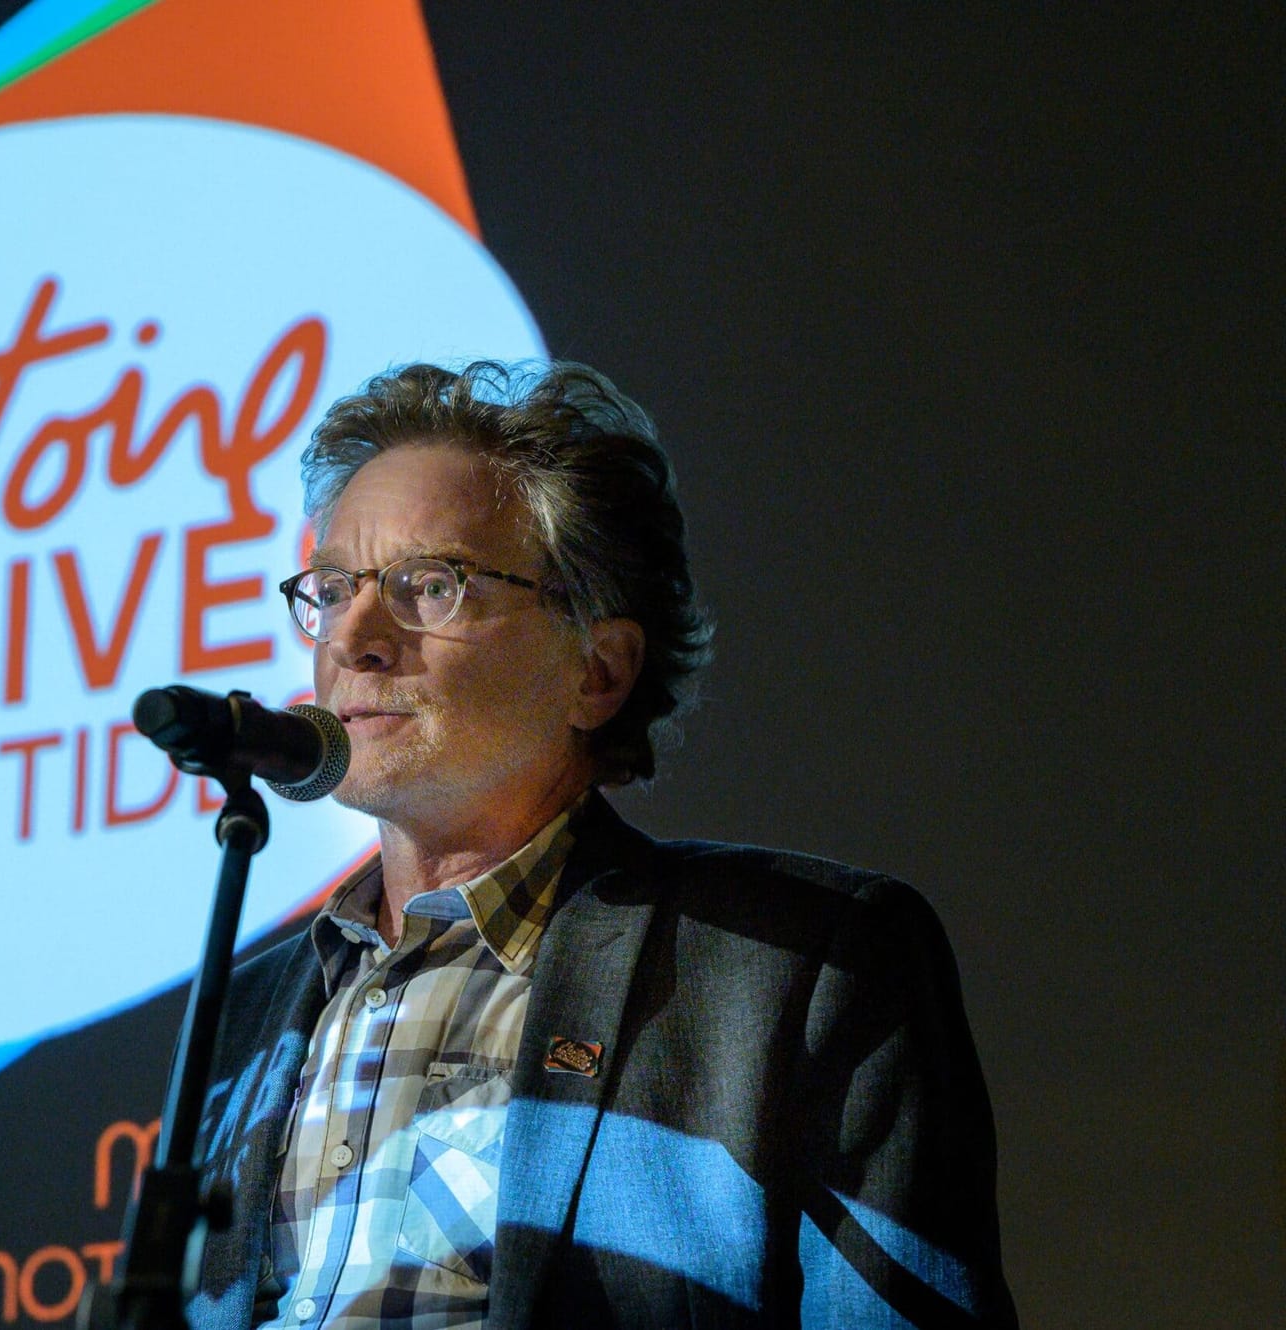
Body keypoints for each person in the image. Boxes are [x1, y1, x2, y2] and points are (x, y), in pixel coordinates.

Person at [184, 361, 1016, 1328]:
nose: (354, 637)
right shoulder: (239, 1013)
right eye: (333, 588)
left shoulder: (791, 968)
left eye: (431, 587)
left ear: (599, 671)